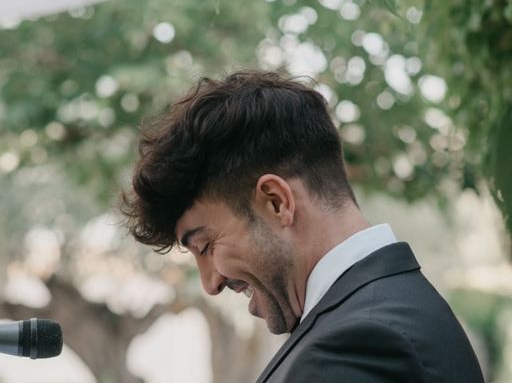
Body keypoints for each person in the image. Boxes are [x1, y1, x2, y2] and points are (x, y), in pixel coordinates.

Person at [121, 71, 485, 382]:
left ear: (276, 202)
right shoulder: (392, 308)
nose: (210, 284)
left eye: (205, 246)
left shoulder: (353, 350)